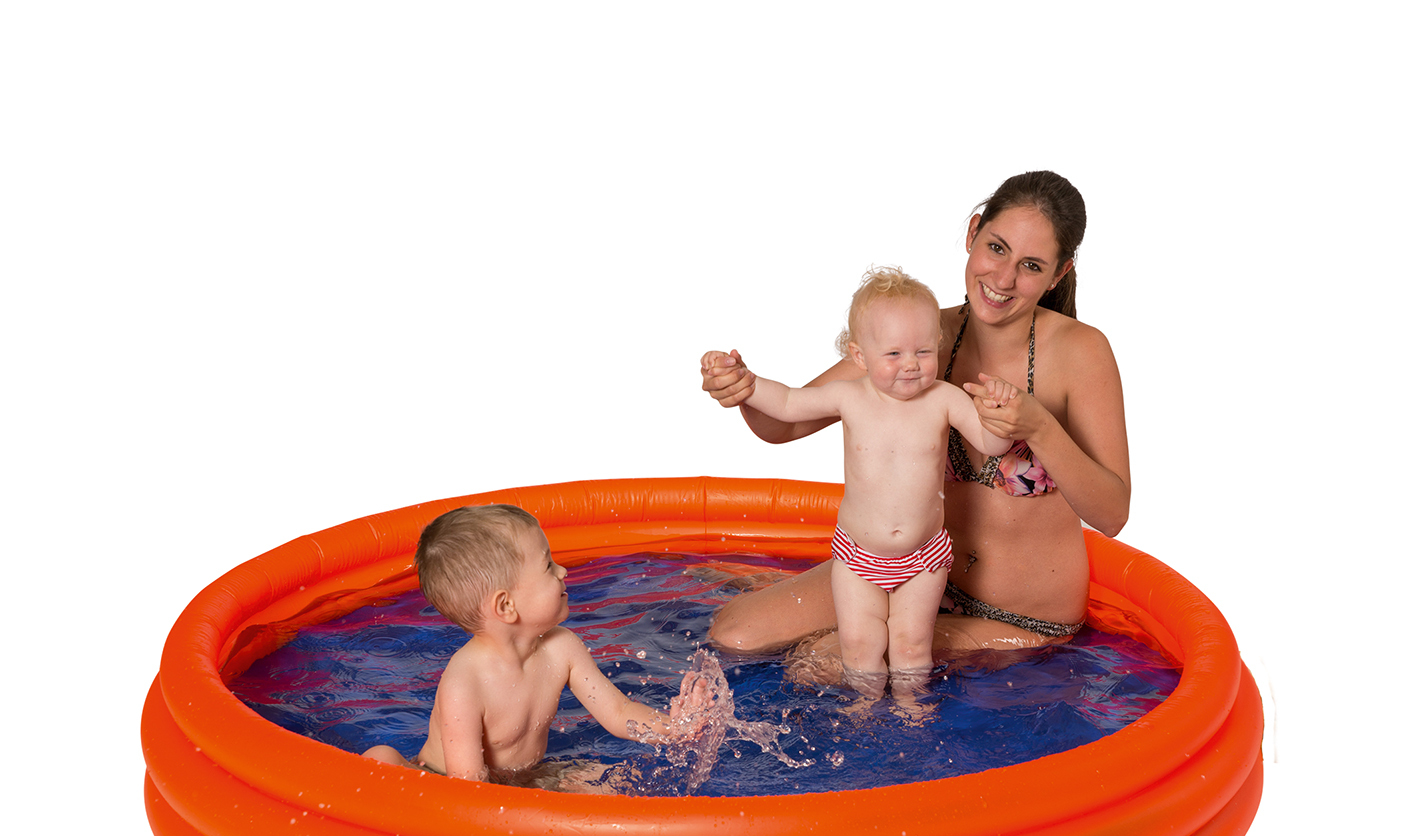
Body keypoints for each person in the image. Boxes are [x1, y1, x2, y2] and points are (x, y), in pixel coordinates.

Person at [701, 170, 1130, 671]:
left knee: (822, 664)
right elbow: (786, 424)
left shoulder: (1081, 352)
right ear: (972, 233)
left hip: (1022, 618)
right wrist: (742, 390)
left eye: (1031, 265)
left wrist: (1039, 427)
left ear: (1059, 273)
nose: (1003, 279)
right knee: (735, 634)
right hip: (908, 576)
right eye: (996, 248)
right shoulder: (921, 338)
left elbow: (1112, 515)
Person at [701, 267, 1011, 698]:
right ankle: (865, 710)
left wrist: (999, 413)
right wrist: (746, 384)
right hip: (857, 557)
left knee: (911, 645)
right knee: (860, 646)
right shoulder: (850, 396)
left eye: (923, 351)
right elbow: (788, 403)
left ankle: (911, 708)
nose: (911, 364)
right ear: (860, 356)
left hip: (923, 556)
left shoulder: (944, 398)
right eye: (894, 354)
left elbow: (991, 444)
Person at [362, 504, 709, 792]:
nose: (563, 571)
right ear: (506, 606)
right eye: (547, 565)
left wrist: (676, 728)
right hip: (446, 783)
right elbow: (468, 784)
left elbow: (618, 712)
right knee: (380, 759)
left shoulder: (562, 647)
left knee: (622, 785)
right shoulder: (465, 682)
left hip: (528, 779)